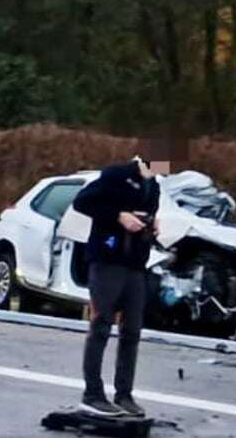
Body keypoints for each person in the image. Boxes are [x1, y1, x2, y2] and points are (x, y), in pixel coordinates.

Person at [72, 151, 171, 417]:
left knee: (132, 331)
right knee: (102, 324)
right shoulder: (116, 175)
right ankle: (92, 393)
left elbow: (147, 215)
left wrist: (152, 225)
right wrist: (119, 216)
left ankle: (124, 394)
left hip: (136, 264)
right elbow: (82, 202)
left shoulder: (155, 188)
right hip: (108, 259)